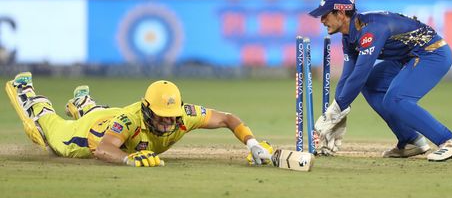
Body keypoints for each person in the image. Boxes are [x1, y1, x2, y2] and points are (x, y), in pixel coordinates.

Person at [309, 0, 452, 162]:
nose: (322, 20)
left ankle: (450, 140)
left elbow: (359, 75)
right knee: (371, 84)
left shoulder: (371, 30)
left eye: (325, 15)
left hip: (432, 54)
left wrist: (334, 112)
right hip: (407, 58)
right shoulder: (349, 36)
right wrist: (336, 111)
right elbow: (349, 76)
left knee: (396, 99)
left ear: (340, 13)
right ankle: (410, 140)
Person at [5, 72, 272, 167]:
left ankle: (84, 102)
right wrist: (127, 158)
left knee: (101, 112)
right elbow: (103, 148)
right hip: (87, 135)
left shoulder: (184, 115)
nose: (168, 123)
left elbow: (228, 119)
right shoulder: (131, 119)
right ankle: (28, 94)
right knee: (52, 134)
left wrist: (252, 143)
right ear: (147, 110)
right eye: (161, 116)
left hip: (108, 117)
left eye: (171, 117)